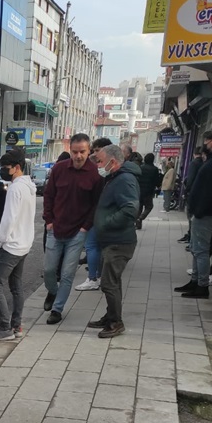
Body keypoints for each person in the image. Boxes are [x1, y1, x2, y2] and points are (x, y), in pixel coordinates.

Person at [42, 132, 104, 323]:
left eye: (82, 152)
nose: (78, 156)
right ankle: (53, 291)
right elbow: (48, 195)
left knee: (68, 273)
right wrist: (49, 220)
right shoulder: (59, 169)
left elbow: (96, 204)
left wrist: (86, 227)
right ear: (70, 150)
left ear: (89, 151)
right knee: (49, 270)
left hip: (77, 232)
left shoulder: (95, 174)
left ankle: (57, 309)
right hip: (56, 228)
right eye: (75, 152)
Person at [87, 144, 140, 338]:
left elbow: (130, 209)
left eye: (100, 161)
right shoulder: (115, 177)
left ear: (113, 161)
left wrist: (107, 223)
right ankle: (110, 316)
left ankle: (116, 323)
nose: (98, 165)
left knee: (109, 283)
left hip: (119, 241)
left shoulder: (124, 179)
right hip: (111, 240)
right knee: (112, 281)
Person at [0, 147, 36, 341]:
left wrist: (0, 241)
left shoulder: (15, 189)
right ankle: (16, 326)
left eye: (6, 167)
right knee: (16, 286)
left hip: (11, 245)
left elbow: (9, 219)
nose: (3, 171)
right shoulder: (29, 187)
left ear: (17, 167)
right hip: (24, 244)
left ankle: (5, 328)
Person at [175, 126, 212, 299]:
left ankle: (202, 286)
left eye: (206, 140)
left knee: (201, 250)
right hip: (203, 212)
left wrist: (199, 211)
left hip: (206, 213)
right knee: (196, 248)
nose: (204, 143)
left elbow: (211, 190)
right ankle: (195, 281)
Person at [75, 137, 112, 291]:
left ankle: (93, 278)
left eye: (97, 150)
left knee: (92, 246)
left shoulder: (106, 171)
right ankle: (97, 275)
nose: (95, 154)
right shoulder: (108, 169)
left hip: (99, 214)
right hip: (101, 213)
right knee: (97, 247)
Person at [180, 147, 203, 244]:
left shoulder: (194, 163)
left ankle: (191, 238)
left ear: (194, 154)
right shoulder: (204, 163)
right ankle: (192, 237)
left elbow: (190, 179)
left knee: (190, 217)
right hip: (201, 194)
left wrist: (185, 192)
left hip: (193, 194)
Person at [135, 153, 162, 230]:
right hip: (149, 191)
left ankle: (138, 224)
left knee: (139, 207)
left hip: (139, 190)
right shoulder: (155, 169)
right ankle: (141, 218)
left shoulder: (140, 167)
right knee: (149, 206)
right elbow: (156, 181)